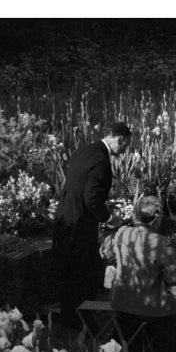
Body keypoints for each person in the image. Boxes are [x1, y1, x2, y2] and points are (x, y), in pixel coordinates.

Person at [100, 195, 176, 352]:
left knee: (170, 312)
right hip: (151, 307)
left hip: (122, 304)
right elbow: (174, 278)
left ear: (136, 216)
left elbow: (105, 252)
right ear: (157, 219)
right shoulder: (160, 242)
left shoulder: (123, 233)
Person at [52, 122, 132, 327]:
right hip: (80, 223)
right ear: (119, 139)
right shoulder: (101, 161)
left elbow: (80, 185)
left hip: (65, 216)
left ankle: (69, 318)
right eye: (125, 146)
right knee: (82, 273)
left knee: (67, 273)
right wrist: (109, 218)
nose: (124, 152)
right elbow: (92, 199)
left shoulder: (85, 150)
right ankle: (83, 322)